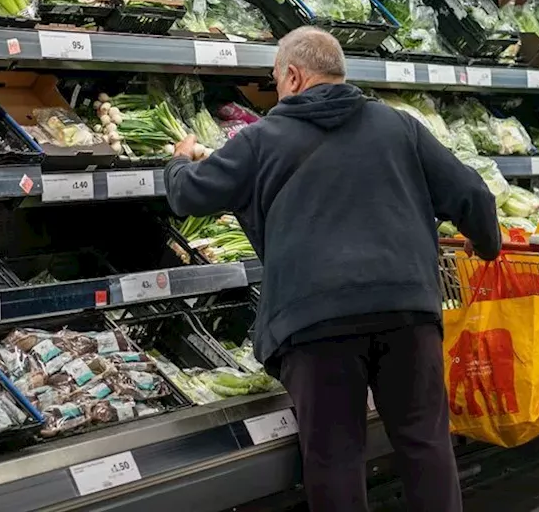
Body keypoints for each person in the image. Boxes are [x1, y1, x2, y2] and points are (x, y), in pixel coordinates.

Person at [164, 26, 501, 512]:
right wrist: (485, 244)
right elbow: (471, 194)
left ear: (295, 77)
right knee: (425, 443)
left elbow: (187, 195)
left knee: (335, 459)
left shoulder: (261, 140)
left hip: (315, 322)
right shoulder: (398, 126)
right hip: (406, 310)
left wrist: (178, 161)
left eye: (277, 80)